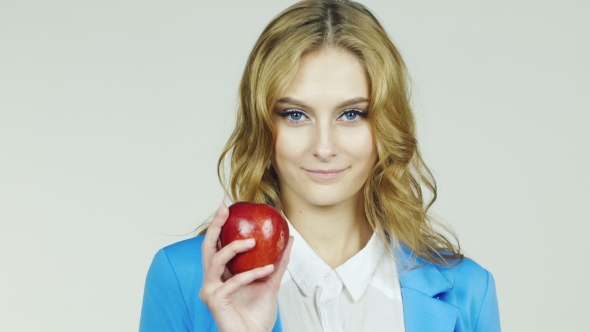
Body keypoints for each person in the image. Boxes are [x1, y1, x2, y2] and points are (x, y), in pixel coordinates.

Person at [139, 1, 501, 331]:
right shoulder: (183, 277)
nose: (324, 147)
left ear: (385, 126)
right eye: (296, 115)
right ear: (264, 126)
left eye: (351, 114)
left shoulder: (468, 291)